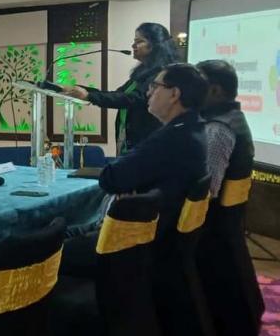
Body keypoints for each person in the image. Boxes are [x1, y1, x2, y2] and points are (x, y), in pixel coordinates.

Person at [62, 63, 209, 275]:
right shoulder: (195, 129)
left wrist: (126, 179)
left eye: (155, 86)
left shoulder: (170, 139)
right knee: (60, 232)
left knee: (36, 248)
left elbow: (110, 178)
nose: (148, 92)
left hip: (132, 242)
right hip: (157, 236)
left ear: (174, 94)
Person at [196, 59, 263, 335]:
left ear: (214, 90)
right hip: (227, 227)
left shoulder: (217, 129)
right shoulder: (234, 118)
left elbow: (207, 190)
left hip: (211, 229)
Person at [63, 23, 178, 154]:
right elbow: (118, 95)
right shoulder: (141, 73)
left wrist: (89, 96)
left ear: (155, 45)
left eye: (139, 41)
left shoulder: (162, 73)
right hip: (129, 142)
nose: (133, 46)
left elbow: (134, 98)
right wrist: (82, 90)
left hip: (149, 144)